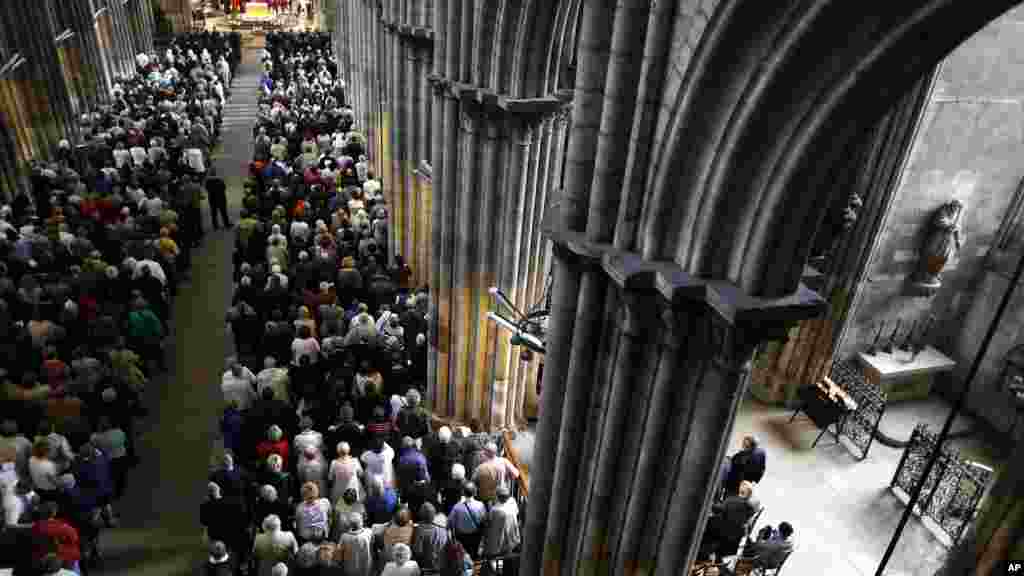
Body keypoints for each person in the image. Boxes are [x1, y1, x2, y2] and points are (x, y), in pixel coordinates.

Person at [700, 481, 757, 560]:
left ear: (740, 490)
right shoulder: (750, 509)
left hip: (720, 532)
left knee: (706, 525)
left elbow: (717, 509)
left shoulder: (731, 500)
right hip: (732, 541)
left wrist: (711, 503)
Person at [471, 442, 519, 506]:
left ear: (486, 453)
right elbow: (516, 474)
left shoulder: (481, 466)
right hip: (500, 497)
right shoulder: (503, 461)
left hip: (484, 498)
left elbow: (473, 480)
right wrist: (507, 476)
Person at [448, 482, 486, 559]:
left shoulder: (457, 507)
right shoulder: (480, 505)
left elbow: (450, 522)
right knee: (474, 556)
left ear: (463, 493)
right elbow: (484, 520)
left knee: (462, 557)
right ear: (475, 492)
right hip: (475, 536)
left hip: (461, 537)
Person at [482, 486, 520, 562]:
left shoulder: (495, 510)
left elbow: (489, 522)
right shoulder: (512, 505)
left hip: (498, 539)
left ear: (498, 497)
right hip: (510, 539)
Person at [410, 502, 448, 572]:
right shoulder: (443, 530)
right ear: (434, 515)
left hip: (426, 567)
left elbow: (418, 551)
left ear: (420, 515)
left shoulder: (419, 531)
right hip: (441, 565)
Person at [336, 512, 374, 576]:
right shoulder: (369, 532)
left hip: (349, 568)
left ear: (349, 524)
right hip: (366, 566)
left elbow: (339, 553)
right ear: (361, 522)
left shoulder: (344, 537)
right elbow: (372, 546)